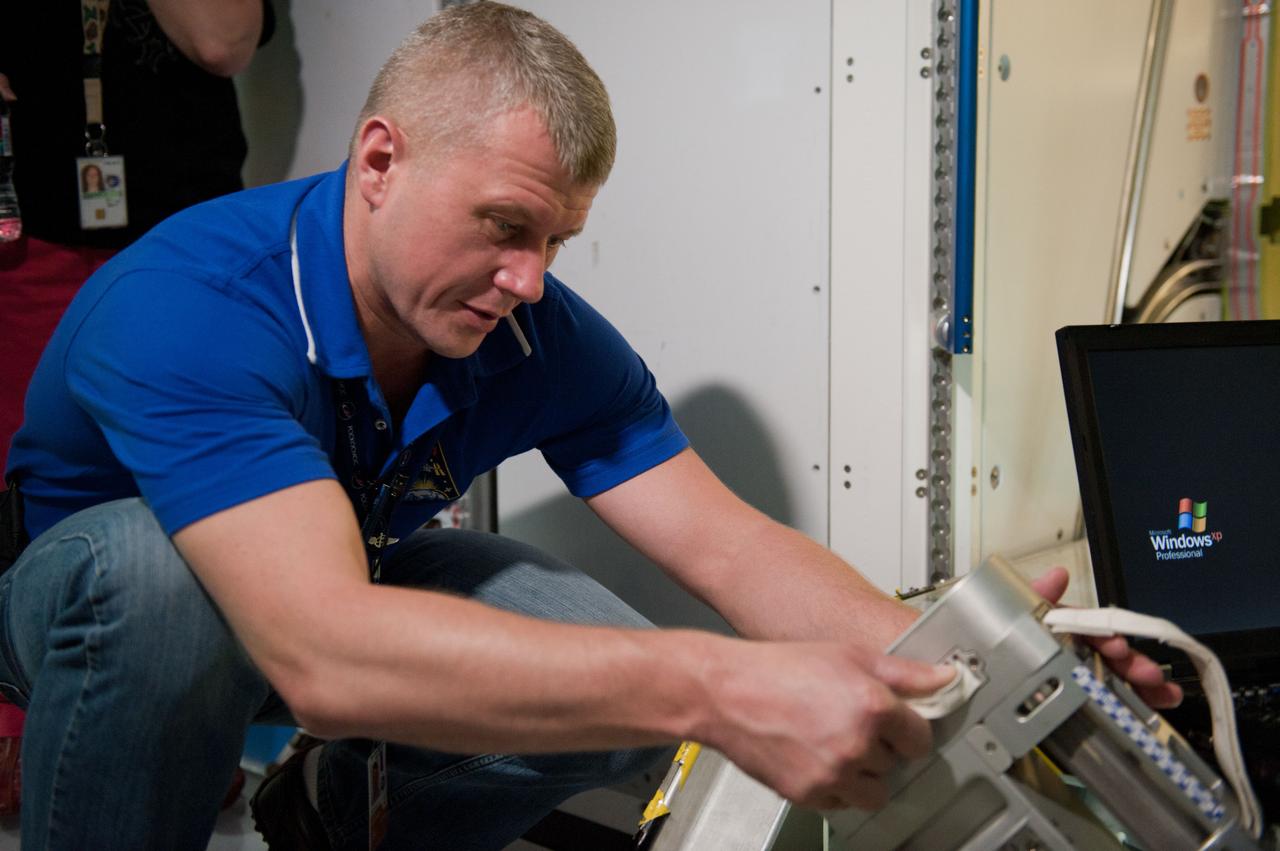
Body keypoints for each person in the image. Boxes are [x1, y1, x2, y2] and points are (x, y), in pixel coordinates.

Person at [0, 4, 1179, 850]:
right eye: (503, 225)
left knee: (574, 627)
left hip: (330, 579)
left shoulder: (530, 328)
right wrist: (713, 685)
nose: (526, 278)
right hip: (101, 619)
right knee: (162, 582)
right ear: (378, 161)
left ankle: (329, 819)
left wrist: (976, 670)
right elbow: (320, 651)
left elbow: (726, 547)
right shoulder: (198, 300)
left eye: (555, 241)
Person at [0, 0, 273, 819]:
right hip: (28, 209)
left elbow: (222, 39)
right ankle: (23, 724)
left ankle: (190, 723)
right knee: (30, 483)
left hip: (180, 211)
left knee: (188, 492)